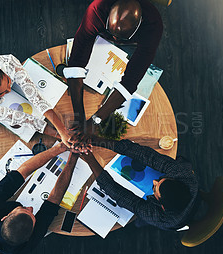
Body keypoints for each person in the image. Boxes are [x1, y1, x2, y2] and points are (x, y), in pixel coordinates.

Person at [64, 0, 163, 146]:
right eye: (112, 34)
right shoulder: (96, 9)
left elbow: (130, 82)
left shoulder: (153, 26)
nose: (115, 40)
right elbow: (76, 62)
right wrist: (79, 115)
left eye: (120, 38)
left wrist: (95, 120)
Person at [0, 142, 79, 254]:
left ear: (4, 217)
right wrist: (73, 157)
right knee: (53, 217)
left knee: (9, 180)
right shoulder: (26, 246)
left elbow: (21, 172)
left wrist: (58, 148)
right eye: (33, 214)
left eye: (24, 208)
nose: (30, 207)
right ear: (31, 233)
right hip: (3, 232)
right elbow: (54, 199)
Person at [81, 136, 198, 230]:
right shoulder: (185, 176)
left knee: (139, 220)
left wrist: (89, 157)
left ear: (161, 206)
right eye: (160, 180)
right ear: (175, 179)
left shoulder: (162, 218)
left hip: (176, 223)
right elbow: (147, 155)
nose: (154, 181)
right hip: (194, 199)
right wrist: (96, 140)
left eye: (155, 187)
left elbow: (122, 196)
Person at [0, 54, 71, 147]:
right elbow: (24, 119)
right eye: (1, 93)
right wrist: (58, 135)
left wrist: (62, 130)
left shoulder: (9, 62)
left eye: (8, 82)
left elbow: (36, 98)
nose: (9, 90)